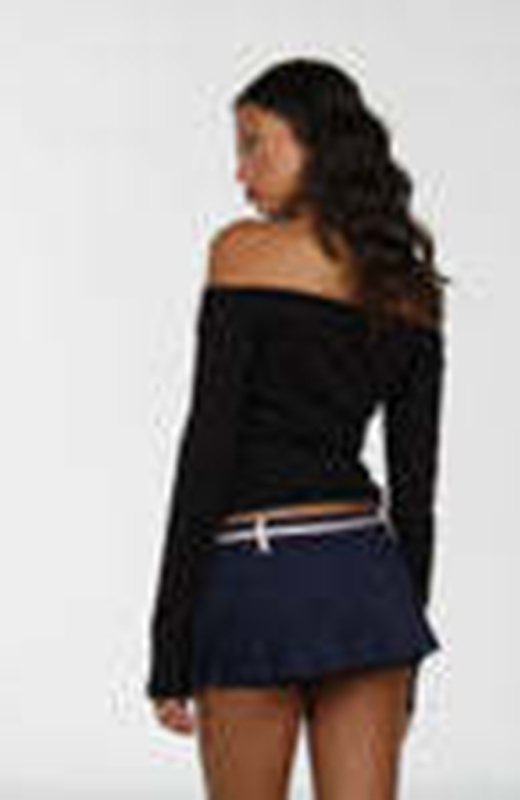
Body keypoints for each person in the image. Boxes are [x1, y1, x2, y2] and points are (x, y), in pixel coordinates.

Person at [145, 57, 450, 800]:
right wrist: (406, 645)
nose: (241, 172)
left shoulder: (243, 253)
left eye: (255, 143)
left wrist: (169, 641)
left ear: (315, 140)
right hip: (368, 583)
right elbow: (416, 495)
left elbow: (208, 453)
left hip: (260, 574)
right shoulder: (408, 287)